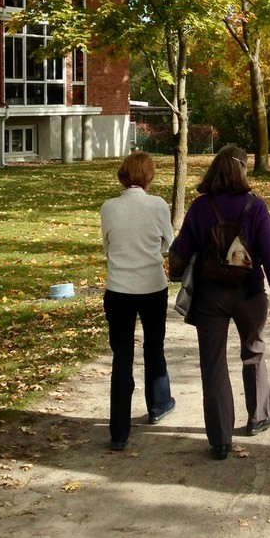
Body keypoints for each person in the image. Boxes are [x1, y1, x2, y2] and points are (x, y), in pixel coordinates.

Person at [169, 144, 270, 461]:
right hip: (249, 293)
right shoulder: (256, 207)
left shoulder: (200, 208)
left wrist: (176, 272)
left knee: (213, 363)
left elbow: (181, 252)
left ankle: (220, 440)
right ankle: (259, 416)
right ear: (242, 171)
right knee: (254, 350)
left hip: (210, 296)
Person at [99, 152, 176, 451]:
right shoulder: (157, 205)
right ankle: (158, 405)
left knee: (122, 357)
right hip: (152, 286)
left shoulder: (109, 207)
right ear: (149, 175)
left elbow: (107, 245)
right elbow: (168, 242)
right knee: (154, 346)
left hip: (119, 288)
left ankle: (119, 429)